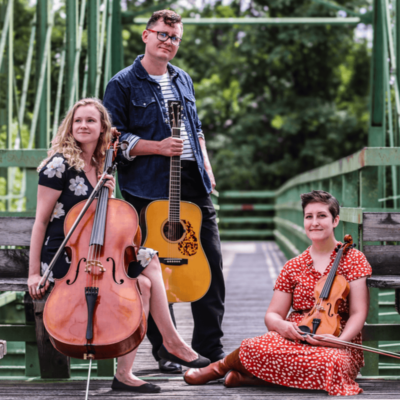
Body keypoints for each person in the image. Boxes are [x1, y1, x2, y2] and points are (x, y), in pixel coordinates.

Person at [27, 98, 209, 394]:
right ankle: (169, 344)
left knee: (149, 266)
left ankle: (131, 369)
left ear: (102, 128)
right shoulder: (58, 165)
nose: (83, 126)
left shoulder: (102, 164)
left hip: (99, 251)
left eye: (90, 121)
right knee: (146, 282)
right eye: (78, 120)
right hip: (66, 255)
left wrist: (109, 195)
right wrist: (34, 273)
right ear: (70, 127)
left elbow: (111, 221)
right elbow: (40, 222)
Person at [103, 9, 225, 372]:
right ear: (146, 35)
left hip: (192, 181)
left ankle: (210, 349)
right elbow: (113, 138)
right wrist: (157, 146)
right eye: (162, 35)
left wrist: (205, 162)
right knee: (157, 269)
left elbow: (196, 127)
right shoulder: (122, 83)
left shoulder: (182, 78)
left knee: (211, 265)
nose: (168, 42)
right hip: (147, 185)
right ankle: (168, 352)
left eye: (175, 38)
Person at [184, 190, 372, 396]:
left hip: (338, 338)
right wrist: (284, 327)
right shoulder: (294, 266)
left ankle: (251, 380)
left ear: (335, 220)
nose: (314, 222)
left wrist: (339, 341)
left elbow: (358, 312)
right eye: (309, 217)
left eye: (322, 216)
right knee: (253, 347)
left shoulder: (353, 258)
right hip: (297, 335)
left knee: (333, 363)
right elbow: (272, 315)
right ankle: (218, 367)